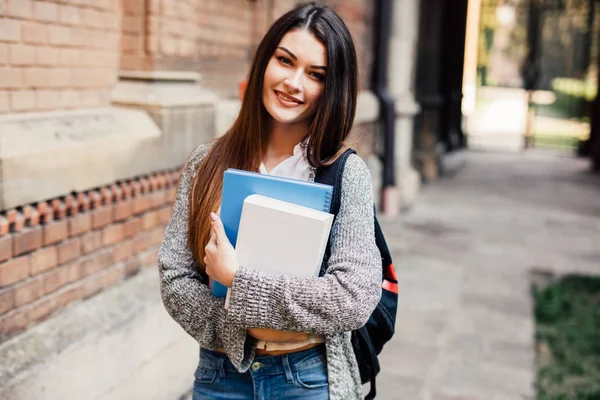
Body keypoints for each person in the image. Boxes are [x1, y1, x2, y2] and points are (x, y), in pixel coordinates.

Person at [158, 3, 381, 399]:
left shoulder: (345, 174)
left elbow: (354, 295)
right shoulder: (206, 162)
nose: (294, 82)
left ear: (332, 89)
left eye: (316, 75)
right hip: (220, 375)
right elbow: (175, 276)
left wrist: (238, 281)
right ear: (265, 61)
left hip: (307, 378)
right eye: (285, 61)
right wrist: (236, 328)